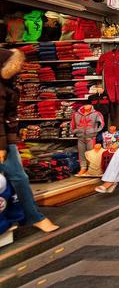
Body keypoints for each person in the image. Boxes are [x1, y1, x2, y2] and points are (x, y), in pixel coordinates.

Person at [0, 49, 59, 232]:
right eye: (16, 64)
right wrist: (3, 146)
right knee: (18, 177)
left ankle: (18, 216)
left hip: (5, 140)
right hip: (2, 142)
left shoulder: (8, 83)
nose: (19, 67)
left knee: (11, 179)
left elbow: (8, 118)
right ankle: (34, 216)